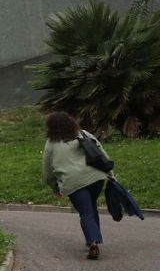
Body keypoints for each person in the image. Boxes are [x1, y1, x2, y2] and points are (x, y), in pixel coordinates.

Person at [43, 110, 111, 260]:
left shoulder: (51, 144)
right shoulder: (84, 134)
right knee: (91, 206)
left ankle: (93, 242)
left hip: (73, 182)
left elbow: (48, 170)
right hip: (96, 177)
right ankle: (93, 239)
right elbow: (101, 151)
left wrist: (54, 186)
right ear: (70, 122)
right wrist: (109, 172)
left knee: (85, 212)